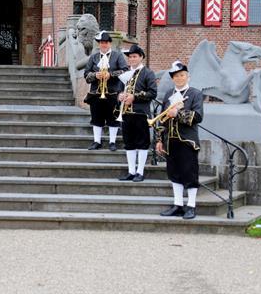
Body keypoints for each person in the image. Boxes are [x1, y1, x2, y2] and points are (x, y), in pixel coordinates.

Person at [156, 61, 204, 220]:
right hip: (170, 141)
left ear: (187, 76)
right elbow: (161, 120)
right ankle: (177, 205)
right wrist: (159, 140)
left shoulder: (195, 94)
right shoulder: (169, 94)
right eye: (176, 76)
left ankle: (191, 206)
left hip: (187, 141)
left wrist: (179, 112)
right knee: (174, 173)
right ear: (173, 78)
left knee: (189, 174)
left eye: (182, 75)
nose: (179, 78)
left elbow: (198, 117)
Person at [117, 44, 157, 182]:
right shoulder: (125, 74)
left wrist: (135, 97)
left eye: (135, 57)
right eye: (130, 57)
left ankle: (140, 171)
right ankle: (131, 171)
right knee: (129, 143)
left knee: (142, 143)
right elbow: (119, 90)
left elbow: (152, 92)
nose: (132, 59)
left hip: (141, 113)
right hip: (126, 113)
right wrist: (120, 96)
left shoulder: (148, 73)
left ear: (141, 57)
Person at [84, 31, 128, 151]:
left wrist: (111, 74)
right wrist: (95, 75)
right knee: (96, 117)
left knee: (112, 118)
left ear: (110, 43)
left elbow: (125, 71)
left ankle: (112, 142)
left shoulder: (117, 56)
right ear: (99, 44)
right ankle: (96, 141)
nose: (104, 45)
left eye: (106, 42)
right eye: (102, 43)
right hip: (96, 93)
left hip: (113, 92)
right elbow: (86, 75)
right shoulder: (93, 57)